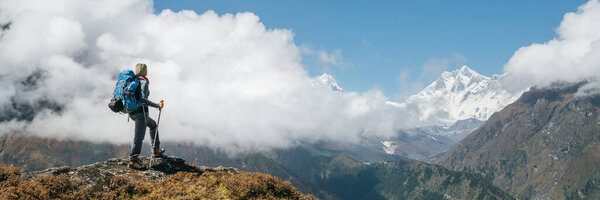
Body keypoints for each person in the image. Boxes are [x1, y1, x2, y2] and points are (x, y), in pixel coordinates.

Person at [128, 63, 165, 169]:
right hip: (140, 113)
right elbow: (142, 99)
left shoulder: (133, 81)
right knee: (138, 137)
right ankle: (133, 160)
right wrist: (157, 105)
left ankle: (156, 149)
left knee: (153, 125)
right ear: (145, 71)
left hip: (132, 113)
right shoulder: (143, 82)